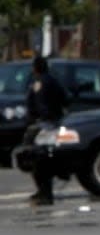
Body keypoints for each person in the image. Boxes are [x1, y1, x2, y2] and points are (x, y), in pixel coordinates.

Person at [23, 56, 67, 206]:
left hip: (41, 124)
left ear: (35, 68)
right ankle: (44, 191)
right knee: (44, 160)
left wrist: (31, 120)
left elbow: (31, 104)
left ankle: (44, 192)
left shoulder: (37, 83)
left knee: (36, 160)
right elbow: (65, 99)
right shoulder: (53, 81)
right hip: (53, 123)